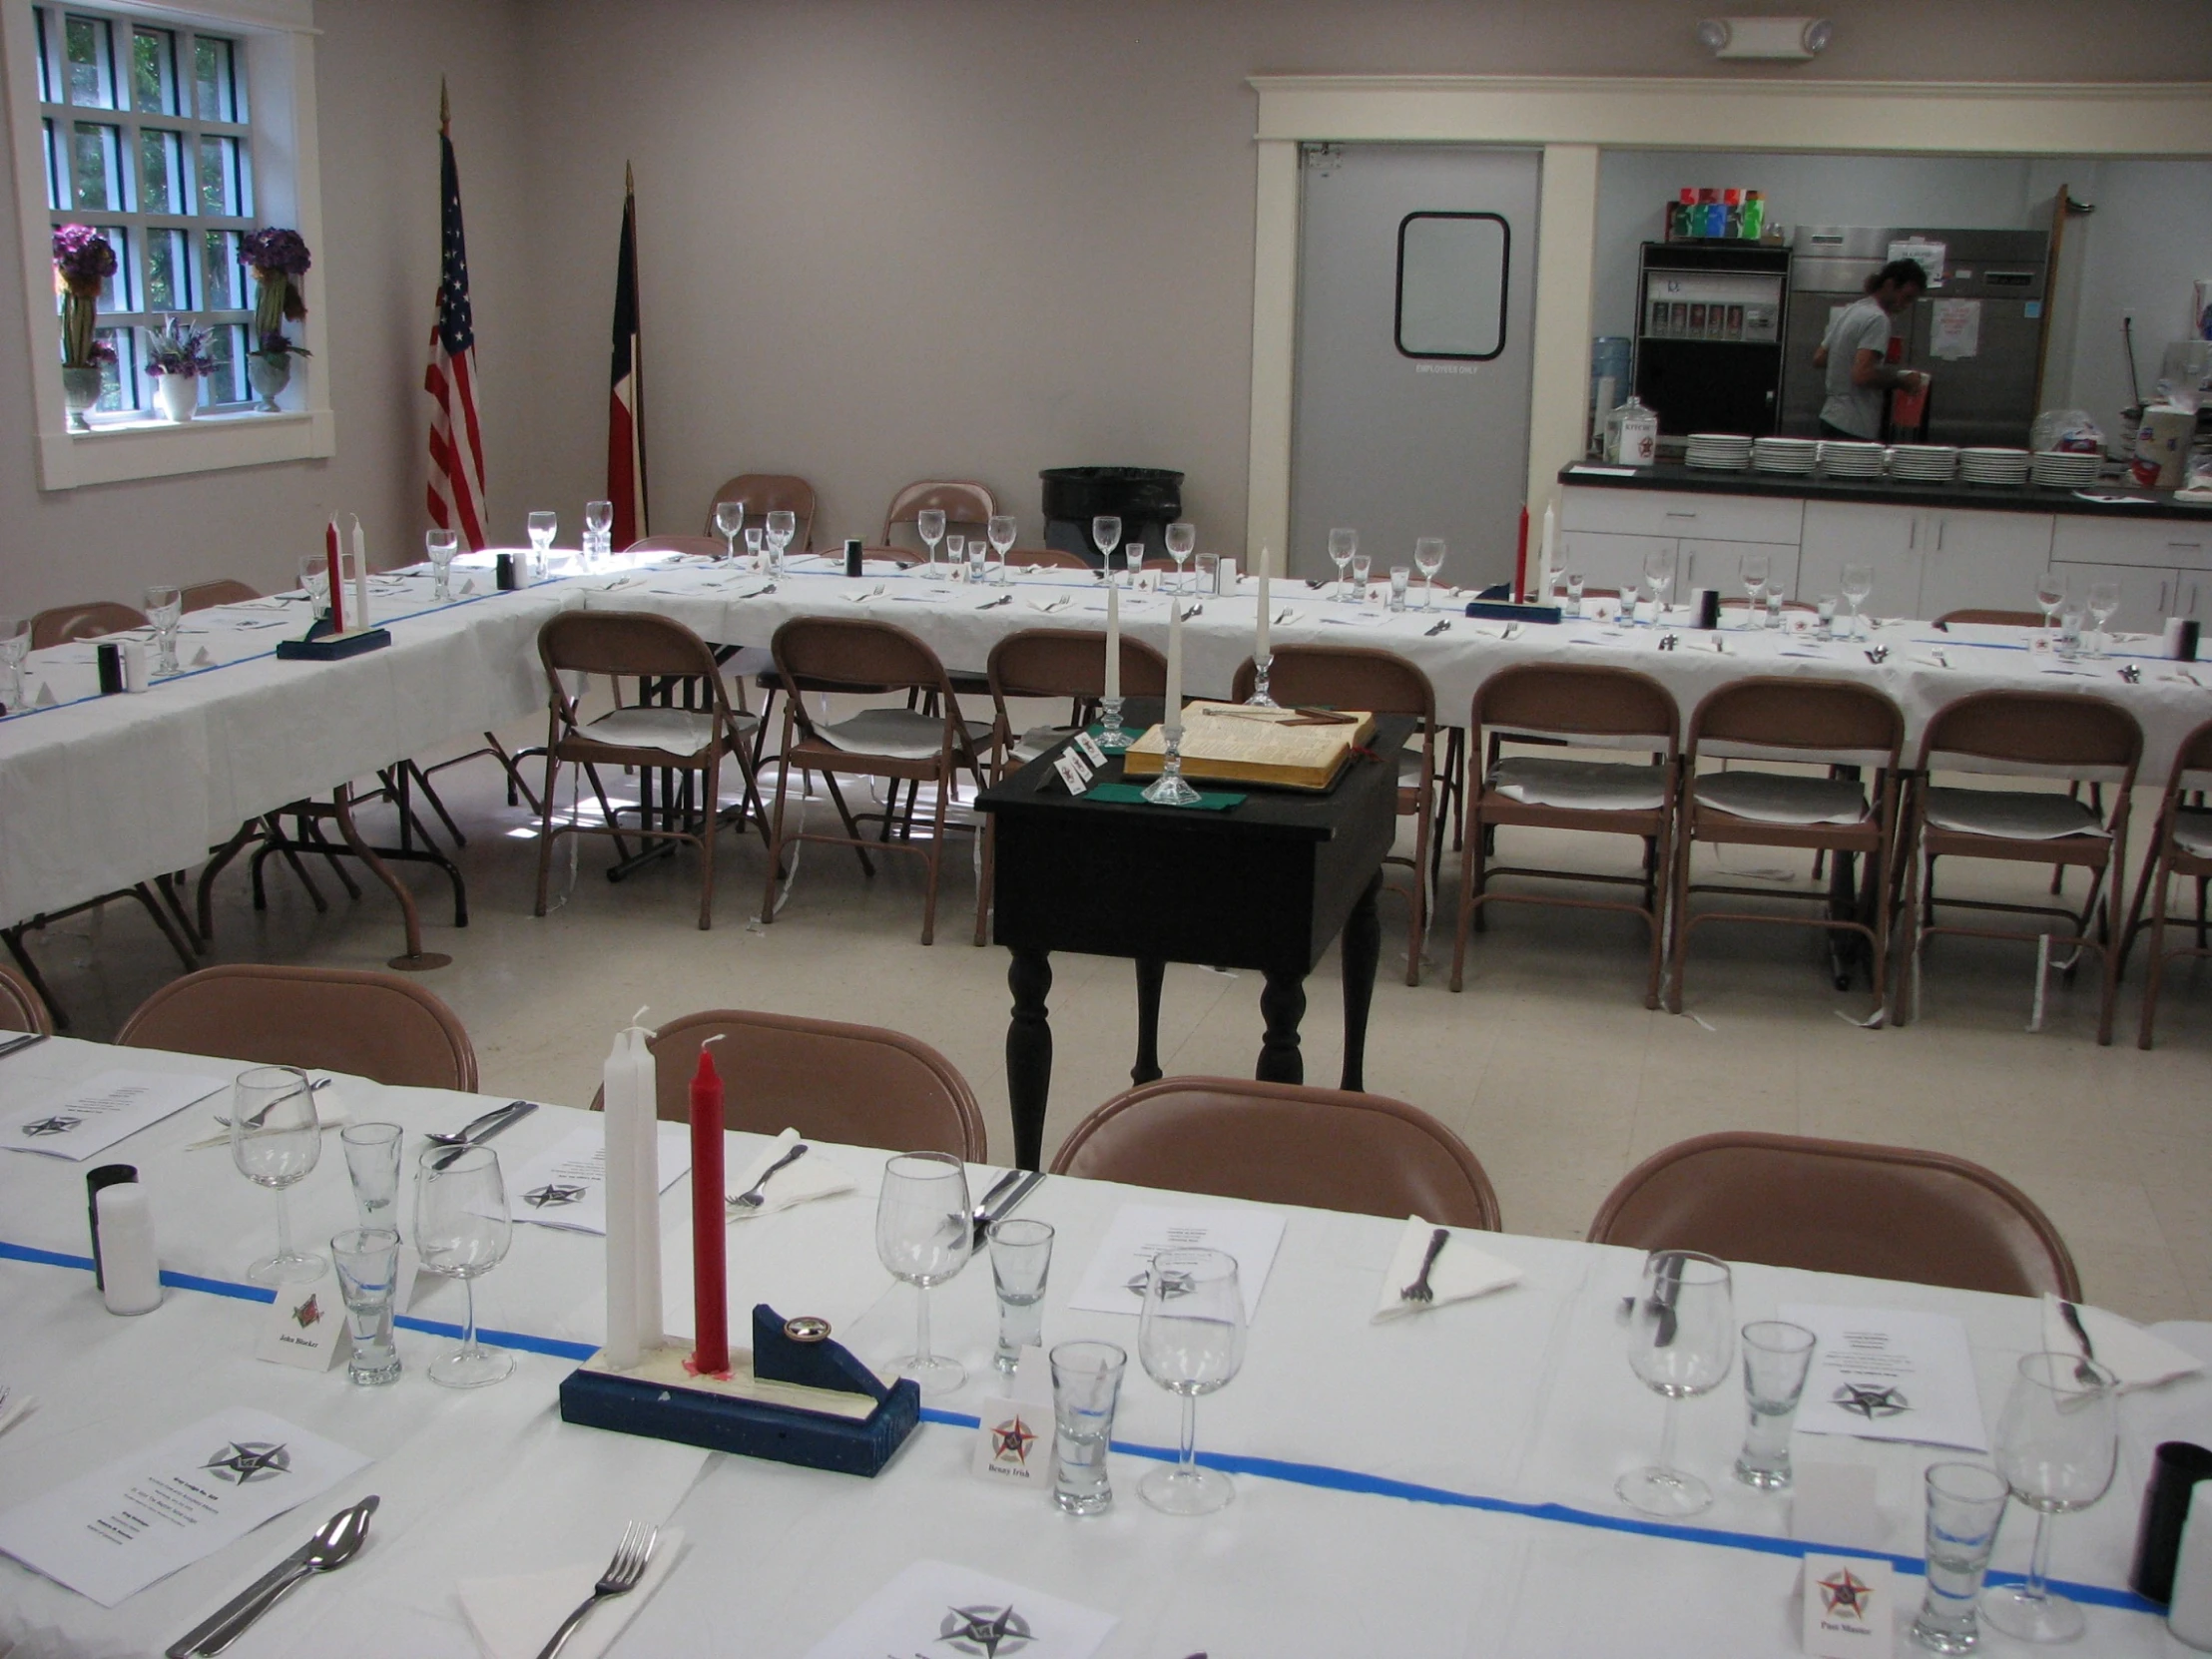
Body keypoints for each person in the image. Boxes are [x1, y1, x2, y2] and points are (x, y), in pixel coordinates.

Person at [1812, 258, 1931, 441]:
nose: (1906, 305)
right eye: (1906, 297)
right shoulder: (1878, 319)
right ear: (1890, 284)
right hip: (1855, 424)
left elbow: (1820, 358)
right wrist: (1900, 380)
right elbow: (1862, 376)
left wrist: (1855, 357)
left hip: (1831, 417)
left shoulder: (1852, 310)